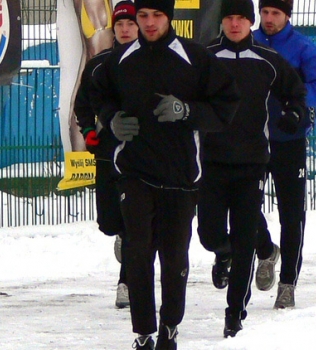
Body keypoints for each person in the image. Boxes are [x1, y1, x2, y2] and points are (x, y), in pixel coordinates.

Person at [91, 0, 241, 348]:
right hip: (134, 171)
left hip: (181, 175)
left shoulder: (195, 57)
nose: (149, 23)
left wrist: (188, 111)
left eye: (157, 15)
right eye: (142, 16)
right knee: (138, 252)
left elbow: (227, 104)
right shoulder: (121, 60)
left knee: (174, 257)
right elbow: (96, 95)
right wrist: (112, 119)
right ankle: (143, 333)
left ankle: (169, 327)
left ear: (168, 17)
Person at [199, 0, 307, 338]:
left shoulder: (267, 60)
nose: (234, 24)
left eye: (241, 18)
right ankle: (222, 251)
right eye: (229, 18)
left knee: (246, 239)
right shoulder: (205, 58)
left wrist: (293, 114)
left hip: (251, 164)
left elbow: (296, 93)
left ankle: (235, 313)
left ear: (249, 22)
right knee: (209, 233)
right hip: (212, 162)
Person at [252, 0, 316, 309]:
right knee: (244, 202)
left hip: (289, 140)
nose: (269, 18)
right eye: (265, 12)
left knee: (291, 214)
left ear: (287, 15)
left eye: (276, 13)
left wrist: (296, 103)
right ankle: (264, 251)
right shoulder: (249, 43)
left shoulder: (302, 48)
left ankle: (287, 282)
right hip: (252, 141)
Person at [74, 0, 139, 310]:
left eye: (130, 24)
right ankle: (122, 237)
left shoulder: (149, 63)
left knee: (132, 220)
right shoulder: (99, 64)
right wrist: (89, 131)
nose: (125, 30)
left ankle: (126, 282)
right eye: (120, 25)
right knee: (110, 220)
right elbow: (82, 104)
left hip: (139, 155)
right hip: (107, 152)